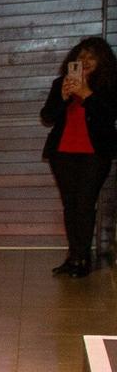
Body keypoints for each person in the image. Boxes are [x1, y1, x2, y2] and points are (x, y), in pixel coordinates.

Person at [40, 36, 116, 277]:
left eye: (92, 57)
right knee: (70, 205)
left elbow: (109, 115)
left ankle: (82, 258)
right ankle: (73, 256)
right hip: (62, 153)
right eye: (81, 56)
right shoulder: (61, 83)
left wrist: (87, 94)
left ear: (102, 61)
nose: (85, 61)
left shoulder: (109, 85)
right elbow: (47, 116)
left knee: (84, 204)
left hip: (94, 154)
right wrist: (62, 99)